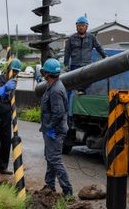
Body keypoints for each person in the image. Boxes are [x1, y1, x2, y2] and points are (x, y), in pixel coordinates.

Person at [39, 58, 73, 197]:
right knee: (50, 157)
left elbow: (58, 113)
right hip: (50, 129)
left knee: (55, 159)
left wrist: (51, 127)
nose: (43, 74)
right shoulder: (52, 86)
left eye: (44, 72)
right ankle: (49, 186)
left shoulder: (55, 90)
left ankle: (67, 190)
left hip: (55, 130)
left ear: (48, 74)